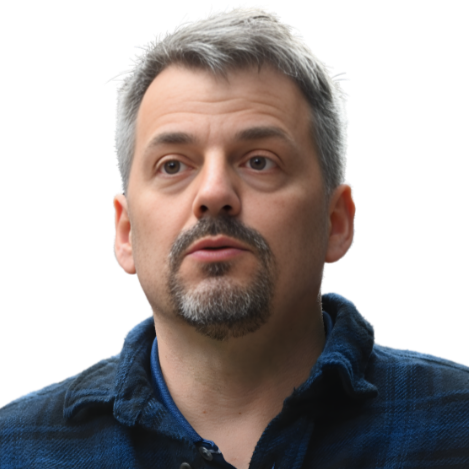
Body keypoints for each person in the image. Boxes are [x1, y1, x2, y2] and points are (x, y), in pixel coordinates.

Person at [1, 5, 468, 469]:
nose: (213, 193)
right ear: (124, 233)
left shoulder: (459, 423)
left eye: (259, 161)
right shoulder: (12, 448)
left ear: (336, 221)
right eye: (173, 165)